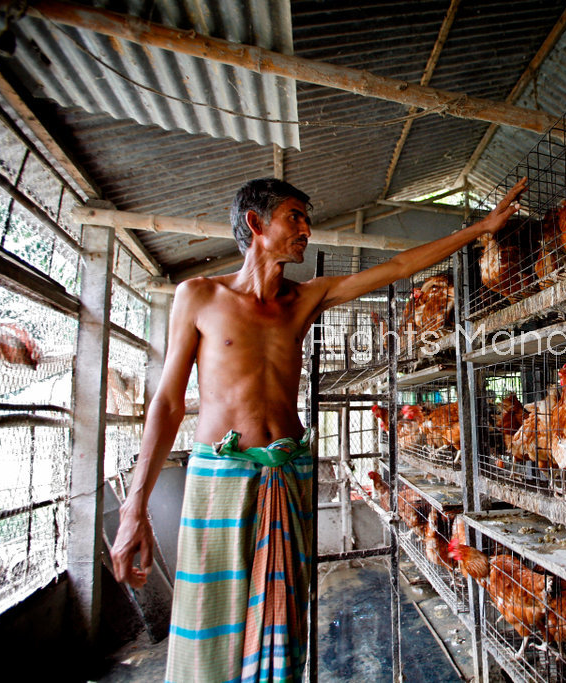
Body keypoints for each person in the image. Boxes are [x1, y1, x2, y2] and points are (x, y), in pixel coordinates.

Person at [109, 176, 527, 681]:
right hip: (220, 477)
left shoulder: (306, 297)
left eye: (307, 219)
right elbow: (168, 402)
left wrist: (482, 228)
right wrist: (134, 507)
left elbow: (398, 267)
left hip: (288, 475)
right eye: (295, 217)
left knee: (282, 620)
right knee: (210, 621)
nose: (306, 229)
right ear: (255, 223)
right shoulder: (198, 295)